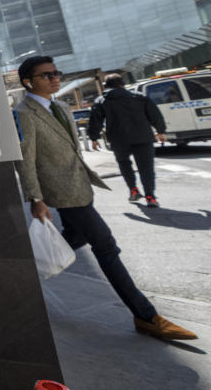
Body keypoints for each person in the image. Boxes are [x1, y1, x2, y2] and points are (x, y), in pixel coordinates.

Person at [14, 56, 196, 341]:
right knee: (106, 246)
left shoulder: (61, 106)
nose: (54, 79)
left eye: (55, 73)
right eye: (46, 75)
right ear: (28, 81)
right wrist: (35, 198)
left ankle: (18, 274)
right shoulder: (24, 112)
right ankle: (146, 316)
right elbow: (26, 159)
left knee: (74, 238)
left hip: (81, 186)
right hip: (62, 191)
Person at [88, 73, 166, 207]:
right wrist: (160, 131)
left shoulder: (101, 100)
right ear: (122, 84)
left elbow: (96, 121)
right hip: (143, 137)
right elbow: (155, 115)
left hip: (118, 140)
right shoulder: (139, 97)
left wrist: (94, 138)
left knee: (124, 165)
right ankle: (150, 197)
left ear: (106, 86)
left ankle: (133, 190)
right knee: (146, 168)